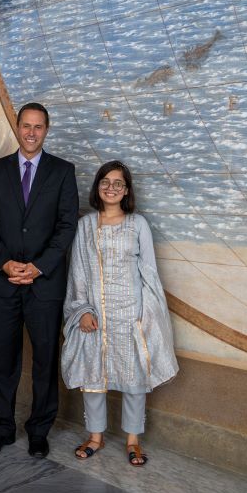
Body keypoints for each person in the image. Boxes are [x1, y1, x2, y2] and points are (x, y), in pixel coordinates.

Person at [0, 102, 79, 459]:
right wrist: (4, 264)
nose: (31, 132)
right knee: (3, 358)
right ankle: (2, 427)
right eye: (26, 126)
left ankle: (39, 430)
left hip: (44, 285)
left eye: (38, 127)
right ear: (16, 127)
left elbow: (67, 226)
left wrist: (38, 267)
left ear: (46, 130)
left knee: (44, 360)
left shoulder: (63, 172)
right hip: (5, 283)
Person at [61, 161, 178, 467]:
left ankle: (132, 440)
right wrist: (82, 310)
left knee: (134, 378)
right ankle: (95, 436)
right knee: (93, 375)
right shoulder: (86, 225)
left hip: (131, 314)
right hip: (96, 314)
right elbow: (78, 273)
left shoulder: (137, 224)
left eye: (118, 183)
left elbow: (150, 273)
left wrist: (147, 316)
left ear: (126, 190)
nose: (111, 188)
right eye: (106, 182)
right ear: (97, 186)